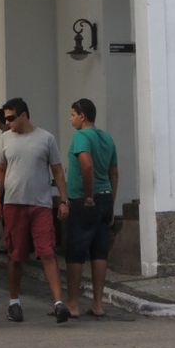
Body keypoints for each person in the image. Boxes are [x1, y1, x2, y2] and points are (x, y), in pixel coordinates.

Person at [0, 96, 70, 324]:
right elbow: (0, 170)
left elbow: (57, 171)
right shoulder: (6, 139)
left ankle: (58, 303)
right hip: (13, 204)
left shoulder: (46, 138)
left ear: (24, 115)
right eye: (5, 118)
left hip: (41, 204)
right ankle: (14, 302)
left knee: (47, 251)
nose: (7, 123)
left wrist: (64, 200)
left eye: (10, 118)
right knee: (16, 255)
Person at [64, 98, 118, 319]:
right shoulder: (107, 138)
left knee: (75, 252)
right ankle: (97, 303)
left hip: (83, 200)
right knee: (99, 251)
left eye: (72, 114)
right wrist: (111, 202)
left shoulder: (80, 137)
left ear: (82, 116)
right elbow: (114, 173)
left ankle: (73, 303)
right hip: (105, 197)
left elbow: (86, 164)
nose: (71, 119)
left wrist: (88, 195)